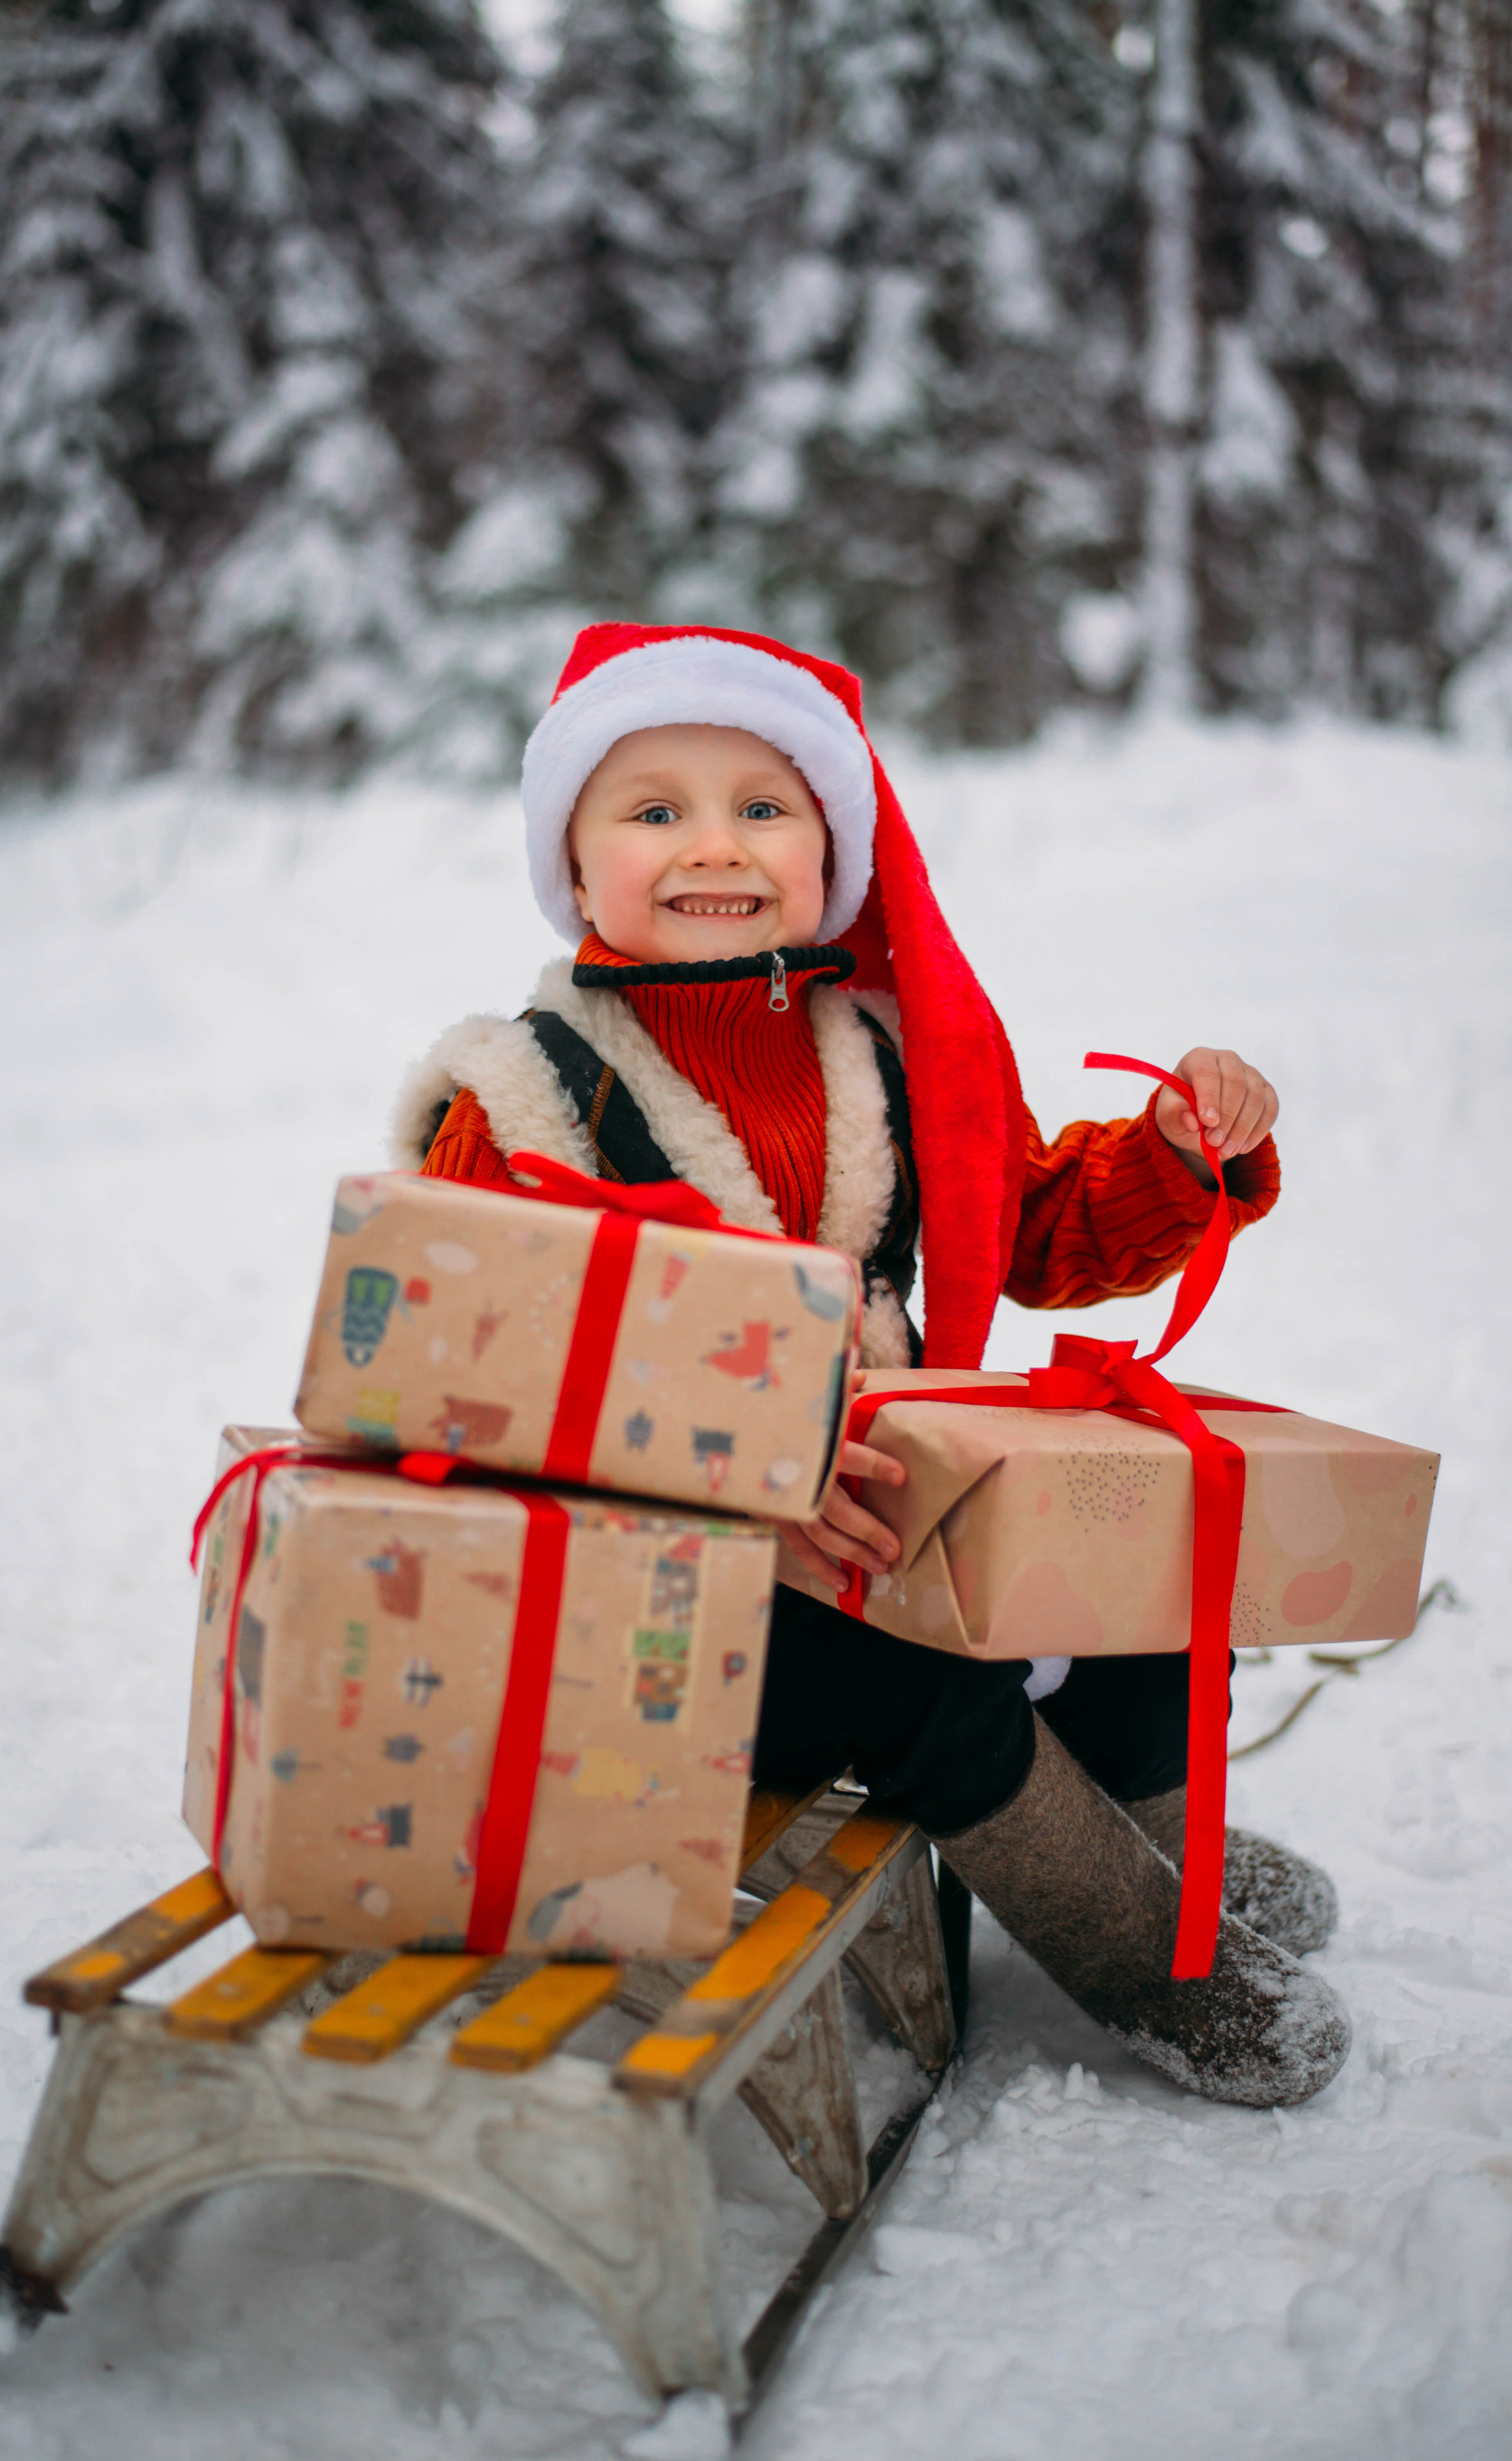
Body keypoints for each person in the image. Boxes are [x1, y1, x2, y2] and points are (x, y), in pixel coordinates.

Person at [395, 621, 1349, 2107]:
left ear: (830, 852)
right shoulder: (519, 1100)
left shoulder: (883, 1056)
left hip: (876, 1512)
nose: (712, 844)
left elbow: (1025, 1229)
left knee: (1128, 1572)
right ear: (573, 867)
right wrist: (740, 1471)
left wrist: (1170, 1158)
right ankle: (1148, 1954)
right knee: (911, 1682)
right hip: (646, 1587)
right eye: (652, 810)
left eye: (760, 806)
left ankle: (1170, 1855)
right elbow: (467, 1382)